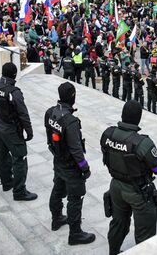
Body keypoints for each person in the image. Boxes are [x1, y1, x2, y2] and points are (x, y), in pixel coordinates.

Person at [101, 100, 157, 255]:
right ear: (139, 118)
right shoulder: (142, 142)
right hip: (139, 192)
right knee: (145, 234)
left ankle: (113, 252)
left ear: (123, 115)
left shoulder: (108, 134)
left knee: (118, 224)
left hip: (116, 187)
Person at [45, 82, 96, 245]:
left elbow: (49, 137)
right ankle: (75, 233)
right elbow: (76, 149)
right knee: (75, 197)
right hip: (70, 165)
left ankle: (57, 218)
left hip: (58, 160)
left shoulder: (50, 112)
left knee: (58, 189)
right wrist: (85, 168)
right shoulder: (71, 121)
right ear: (72, 96)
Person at [0, 62, 38, 201]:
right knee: (20, 158)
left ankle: (6, 183)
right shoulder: (14, 92)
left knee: (2, 156)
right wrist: (29, 131)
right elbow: (23, 114)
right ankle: (19, 191)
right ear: (14, 74)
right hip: (11, 131)